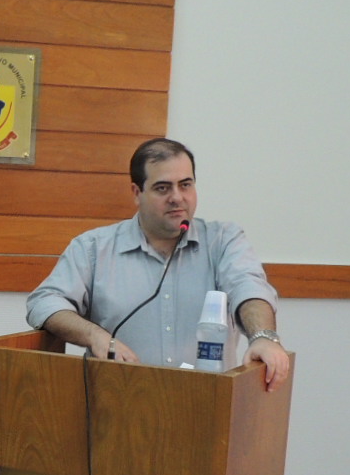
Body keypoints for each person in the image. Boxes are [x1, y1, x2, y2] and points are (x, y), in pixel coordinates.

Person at [26, 137, 292, 391]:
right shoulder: (94, 248)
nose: (177, 197)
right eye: (163, 188)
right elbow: (44, 302)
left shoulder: (223, 241)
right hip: (118, 405)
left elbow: (249, 288)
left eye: (185, 185)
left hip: (207, 405)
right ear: (136, 192)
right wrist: (95, 336)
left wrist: (263, 336)